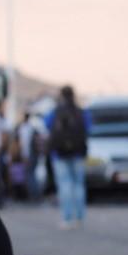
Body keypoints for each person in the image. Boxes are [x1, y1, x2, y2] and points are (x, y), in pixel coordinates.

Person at [45, 86, 91, 229]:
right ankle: (80, 217)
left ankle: (67, 217)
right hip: (78, 153)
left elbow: (46, 125)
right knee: (78, 184)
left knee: (64, 185)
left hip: (59, 154)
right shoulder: (81, 112)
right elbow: (89, 128)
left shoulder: (55, 112)